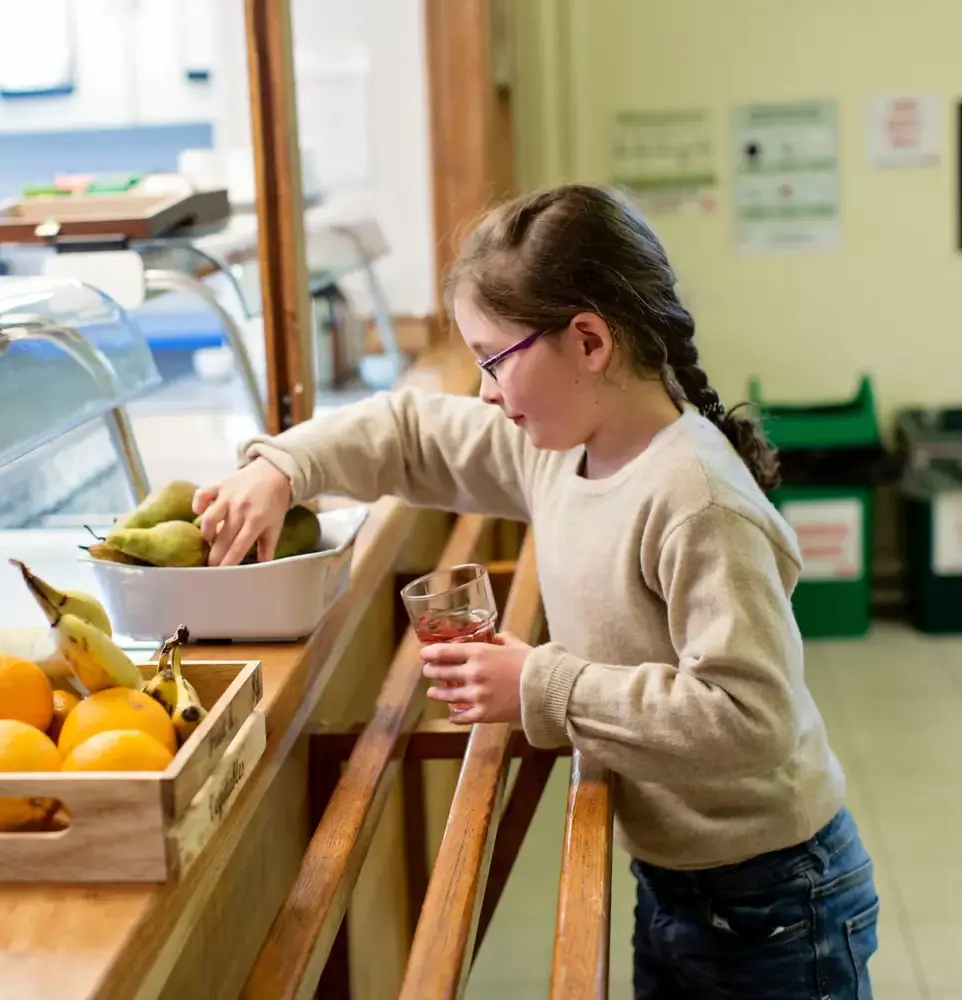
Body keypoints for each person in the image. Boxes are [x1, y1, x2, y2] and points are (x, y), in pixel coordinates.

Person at [193, 184, 878, 999]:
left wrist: (540, 684)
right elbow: (412, 433)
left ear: (589, 341)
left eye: (493, 359)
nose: (483, 391)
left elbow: (748, 718)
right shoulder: (560, 448)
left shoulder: (697, 500)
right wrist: (284, 467)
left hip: (774, 898)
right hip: (678, 879)